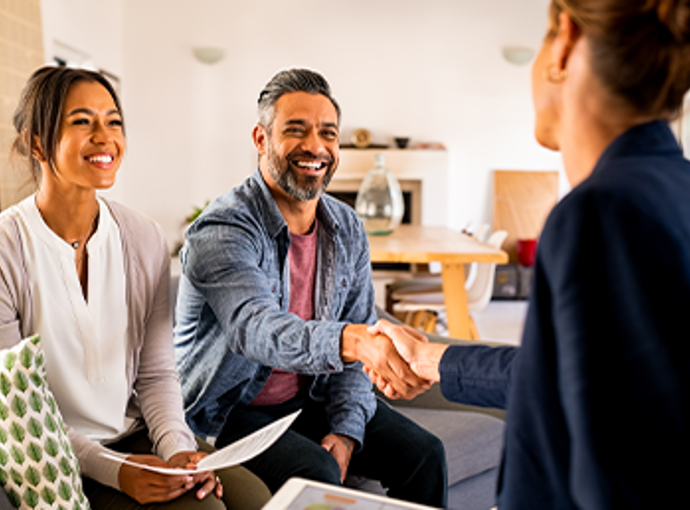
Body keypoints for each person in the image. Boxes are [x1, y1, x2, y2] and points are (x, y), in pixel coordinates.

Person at [368, 0, 690, 508]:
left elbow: (617, 477)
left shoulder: (603, 214)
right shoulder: (670, 190)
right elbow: (570, 382)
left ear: (563, 40)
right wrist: (431, 358)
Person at [0, 65, 271, 509]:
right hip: (60, 458)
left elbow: (157, 374)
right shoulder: (7, 248)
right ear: (36, 143)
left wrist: (179, 451)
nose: (105, 137)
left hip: (136, 436)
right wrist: (118, 471)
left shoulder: (142, 237)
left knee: (256, 499)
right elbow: (17, 410)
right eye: (83, 121)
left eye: (114, 122)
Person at [174, 68, 447, 508]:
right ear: (261, 140)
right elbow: (255, 328)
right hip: (227, 412)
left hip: (308, 398)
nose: (315, 147)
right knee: (314, 472)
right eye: (295, 131)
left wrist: (345, 430)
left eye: (328, 134)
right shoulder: (223, 229)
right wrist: (353, 340)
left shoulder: (346, 227)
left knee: (424, 455)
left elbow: (357, 347)